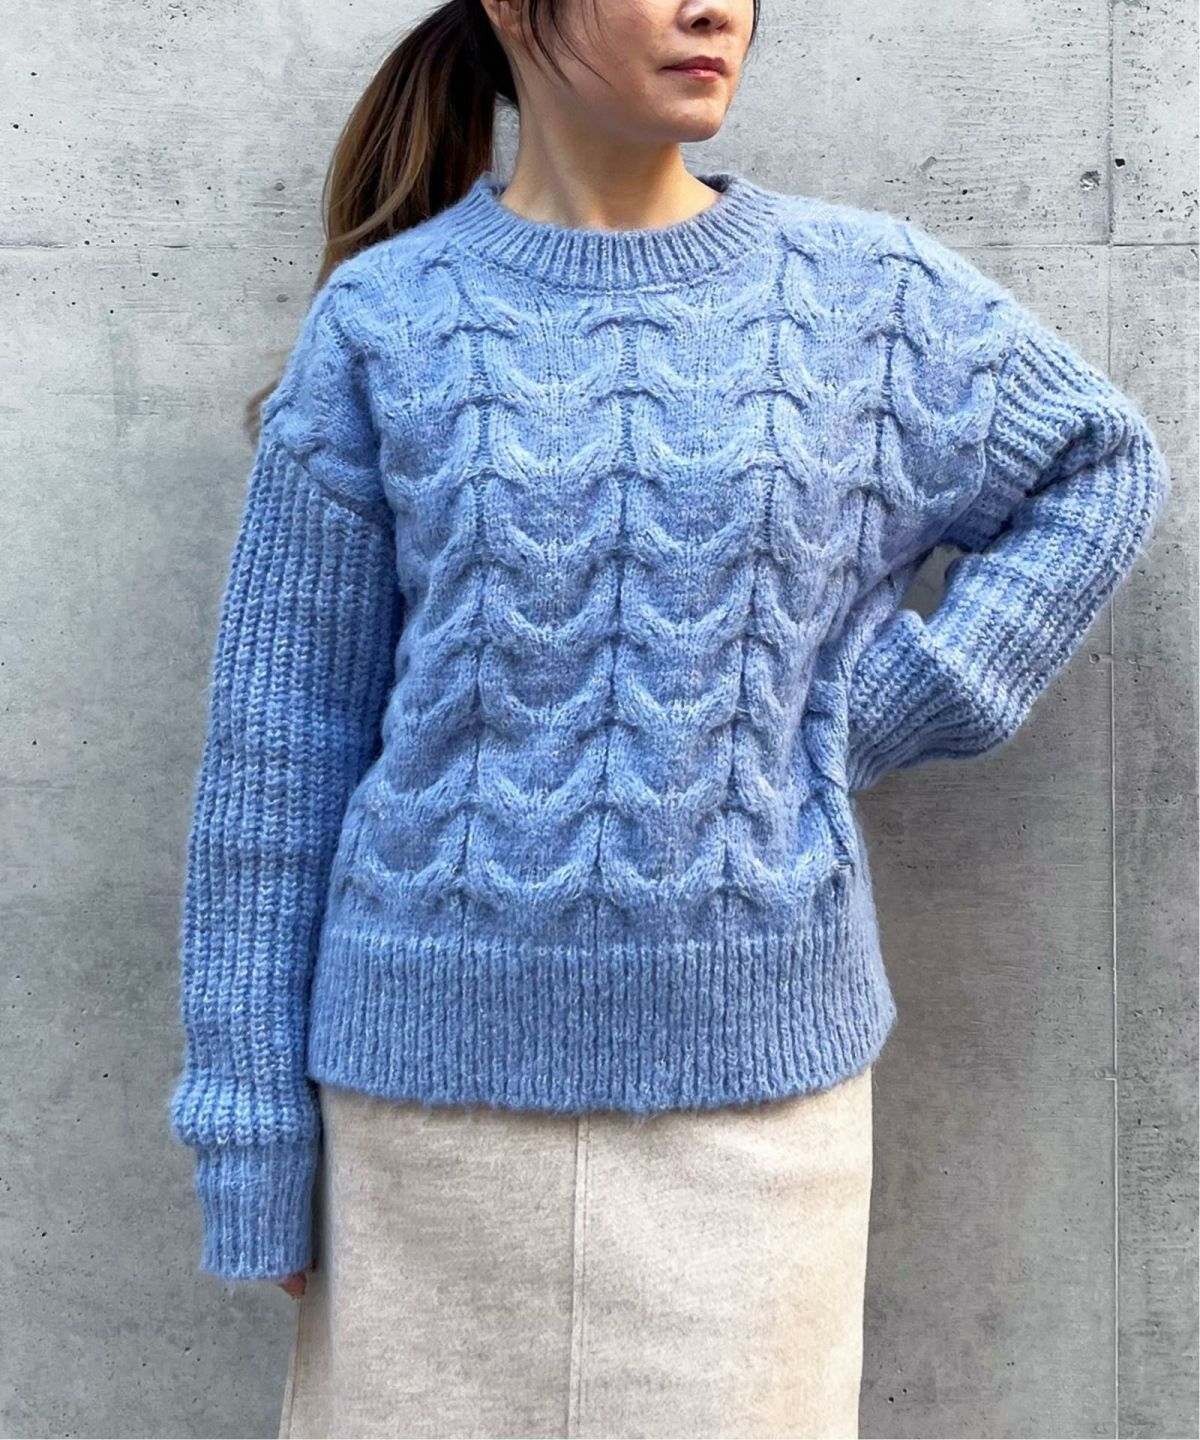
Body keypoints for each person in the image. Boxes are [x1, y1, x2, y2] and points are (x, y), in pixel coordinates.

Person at [166, 0, 1173, 1436]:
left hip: (755, 1121)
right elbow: (278, 752)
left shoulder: (868, 296)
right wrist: (251, 1136)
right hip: (423, 1126)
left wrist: (898, 704)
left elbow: (1100, 463)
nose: (715, 9)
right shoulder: (388, 319)